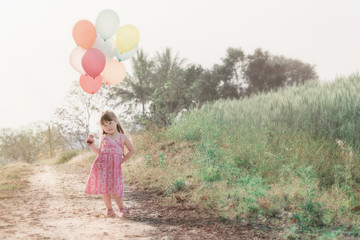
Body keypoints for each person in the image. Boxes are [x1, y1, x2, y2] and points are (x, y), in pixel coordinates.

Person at [85, 110, 136, 218]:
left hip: (115, 167)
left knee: (116, 188)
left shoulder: (122, 137)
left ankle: (121, 208)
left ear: (116, 121)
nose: (108, 127)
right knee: (105, 189)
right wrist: (92, 146)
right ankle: (109, 210)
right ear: (102, 127)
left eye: (110, 123)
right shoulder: (104, 137)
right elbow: (99, 152)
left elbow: (132, 150)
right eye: (104, 125)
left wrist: (122, 161)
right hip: (103, 166)